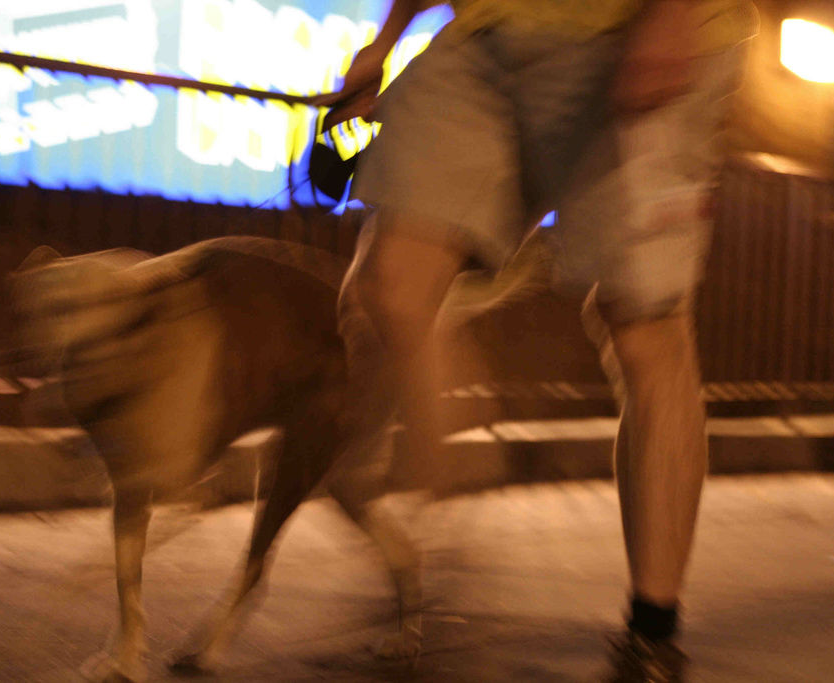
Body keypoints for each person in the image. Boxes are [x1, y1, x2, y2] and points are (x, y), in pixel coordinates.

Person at [324, 0, 757, 680]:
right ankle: (447, 466)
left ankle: (652, 628)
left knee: (642, 326)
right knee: (390, 284)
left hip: (639, 30)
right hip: (486, 35)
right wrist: (384, 41)